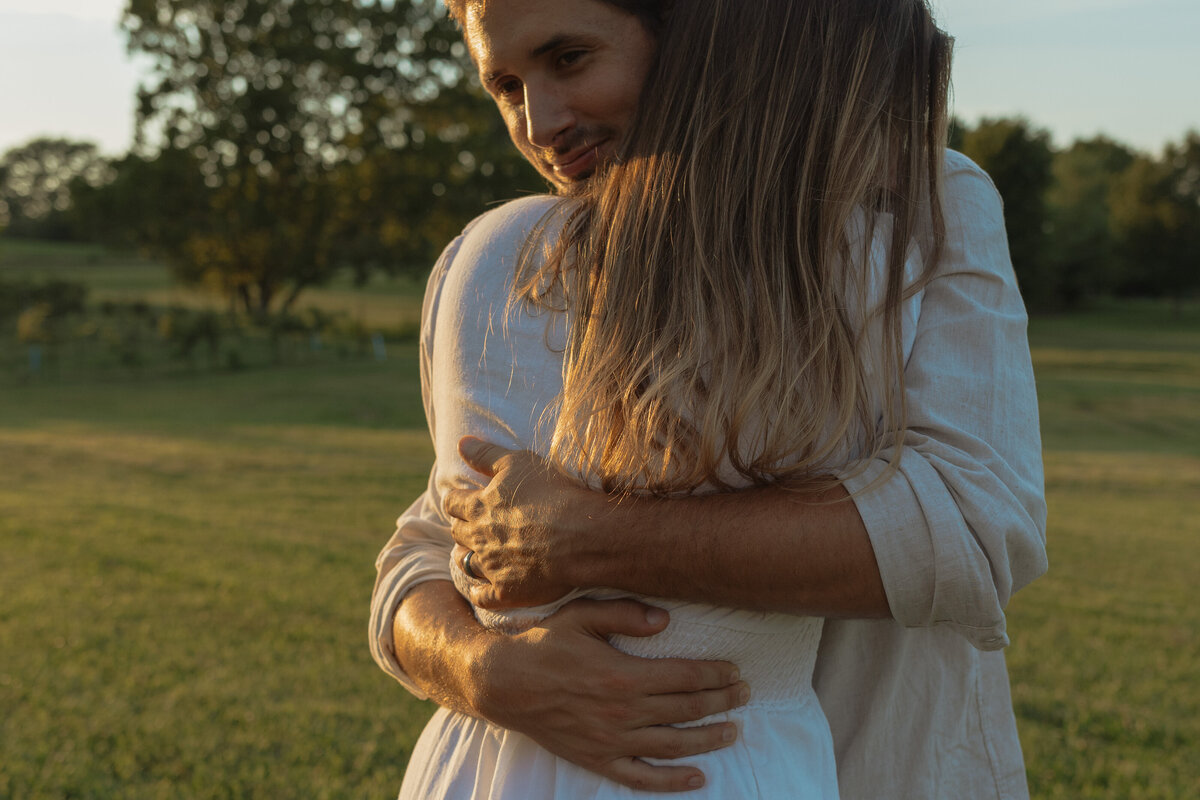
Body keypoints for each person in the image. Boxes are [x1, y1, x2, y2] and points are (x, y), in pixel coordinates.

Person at [370, 0, 1048, 797]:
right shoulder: (524, 254)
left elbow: (975, 528)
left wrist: (589, 537)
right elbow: (433, 539)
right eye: (506, 86)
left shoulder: (915, 199)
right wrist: (481, 669)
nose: (540, 122)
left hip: (884, 766)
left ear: (684, 37)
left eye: (571, 59)